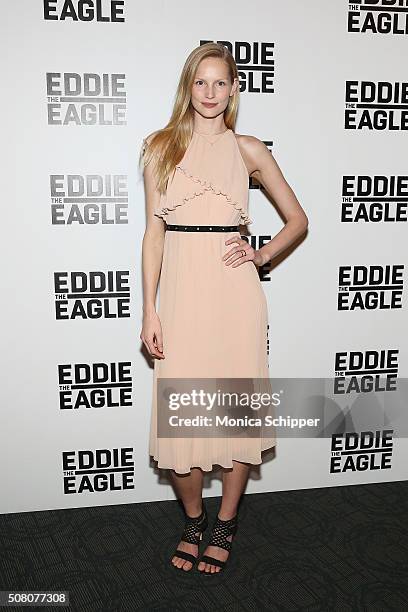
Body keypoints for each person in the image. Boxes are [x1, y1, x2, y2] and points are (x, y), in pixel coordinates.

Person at [140, 42, 308, 575]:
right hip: (183, 295)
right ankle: (194, 519)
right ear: (187, 87)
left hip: (236, 295)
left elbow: (298, 221)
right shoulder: (159, 146)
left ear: (235, 88)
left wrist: (259, 255)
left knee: (236, 416)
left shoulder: (249, 149)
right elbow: (153, 234)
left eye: (221, 82)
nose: (210, 93)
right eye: (200, 82)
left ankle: (227, 521)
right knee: (181, 419)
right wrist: (149, 309)